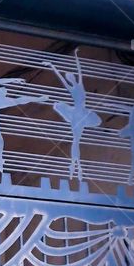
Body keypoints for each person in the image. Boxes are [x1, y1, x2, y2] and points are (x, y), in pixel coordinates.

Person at [49, 52, 101, 182]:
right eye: (69, 77)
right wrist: (52, 65)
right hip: (78, 114)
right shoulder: (72, 87)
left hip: (82, 113)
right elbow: (60, 77)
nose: (70, 78)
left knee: (76, 140)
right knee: (75, 140)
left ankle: (75, 165)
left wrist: (76, 55)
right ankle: (75, 165)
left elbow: (79, 70)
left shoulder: (79, 84)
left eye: (71, 76)